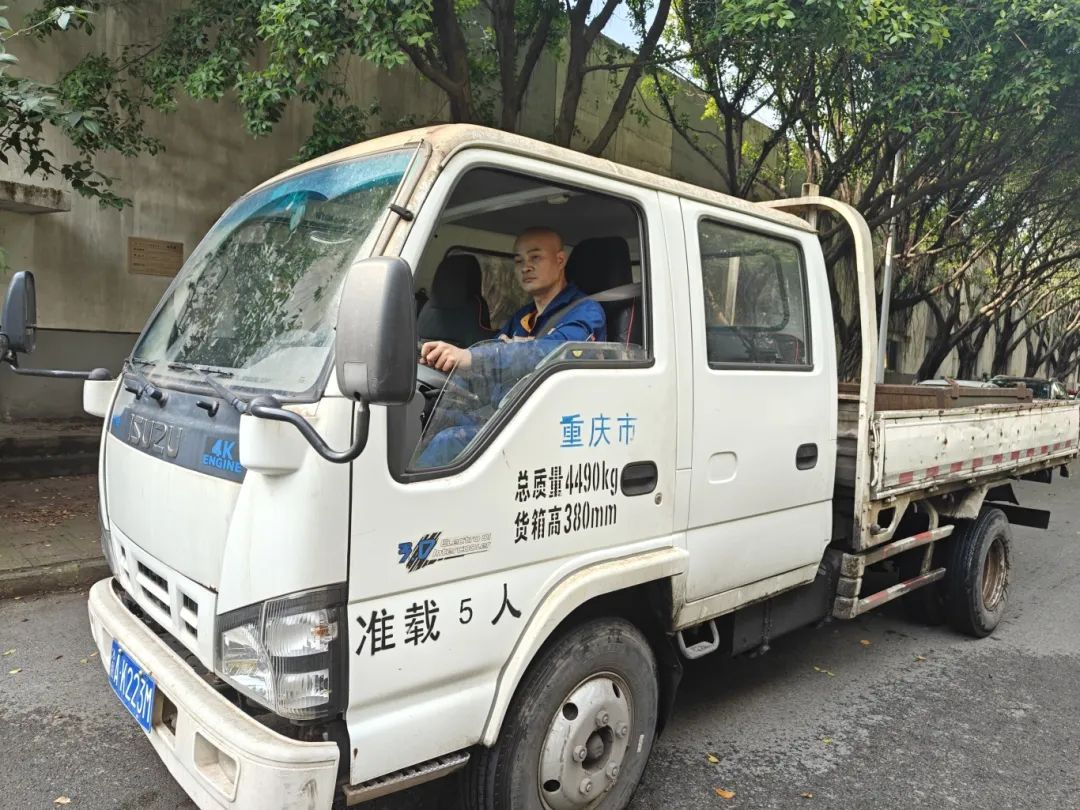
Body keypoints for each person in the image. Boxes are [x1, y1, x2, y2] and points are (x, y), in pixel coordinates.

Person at [414, 227, 607, 467]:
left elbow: (555, 353)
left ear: (560, 261)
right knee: (432, 418)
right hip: (508, 416)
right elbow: (494, 359)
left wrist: (472, 357)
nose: (525, 267)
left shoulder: (587, 312)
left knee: (447, 442)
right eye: (519, 260)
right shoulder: (523, 317)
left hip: (548, 425)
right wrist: (450, 389)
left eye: (535, 257)